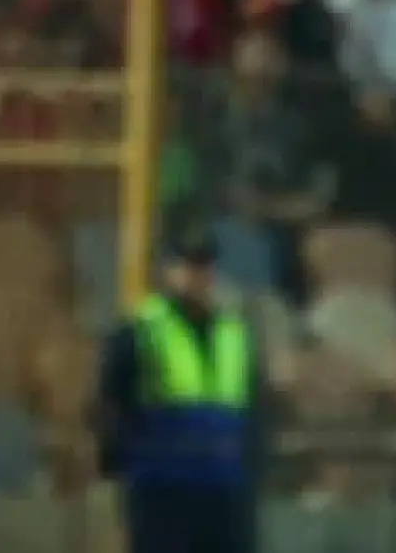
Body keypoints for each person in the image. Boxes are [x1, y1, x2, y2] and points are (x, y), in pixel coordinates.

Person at [94, 225, 264, 553]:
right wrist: (117, 463)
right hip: (161, 491)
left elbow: (254, 407)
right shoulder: (140, 331)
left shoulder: (234, 333)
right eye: (187, 264)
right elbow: (110, 403)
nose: (196, 275)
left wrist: (254, 468)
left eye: (203, 265)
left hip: (224, 493)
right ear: (167, 271)